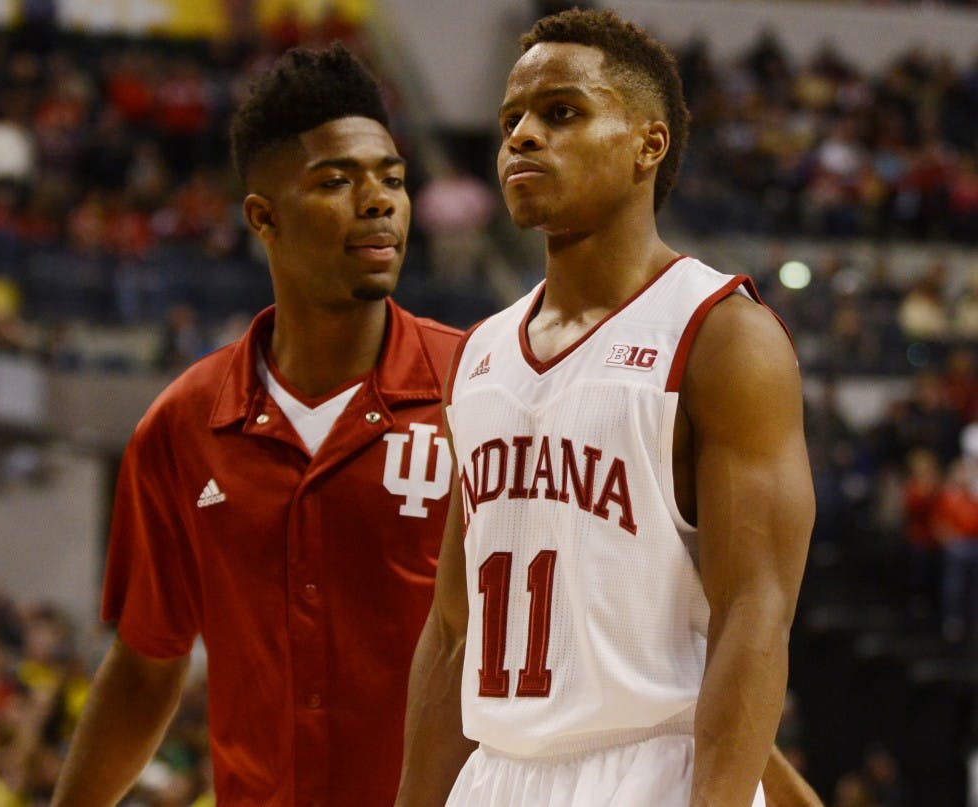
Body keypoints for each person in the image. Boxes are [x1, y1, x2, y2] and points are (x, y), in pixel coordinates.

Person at [396, 10, 817, 807]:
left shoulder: (722, 335)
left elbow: (753, 615)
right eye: (511, 119)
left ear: (647, 146)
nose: (522, 136)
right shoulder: (482, 350)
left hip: (653, 771)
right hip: (497, 771)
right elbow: (453, 633)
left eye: (561, 113)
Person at [51, 44, 460, 806]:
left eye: (393, 179)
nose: (378, 200)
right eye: (337, 181)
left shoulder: (481, 391)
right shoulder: (180, 424)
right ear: (263, 218)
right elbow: (146, 666)